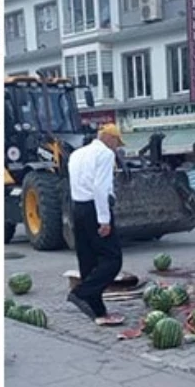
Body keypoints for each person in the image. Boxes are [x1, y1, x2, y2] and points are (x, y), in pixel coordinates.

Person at [66, 124, 126, 326]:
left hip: (77, 208)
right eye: (117, 143)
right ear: (110, 138)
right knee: (113, 259)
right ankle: (81, 293)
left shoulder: (77, 154)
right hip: (95, 209)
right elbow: (100, 188)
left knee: (88, 261)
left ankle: (98, 312)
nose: (117, 148)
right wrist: (104, 220)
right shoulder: (105, 155)